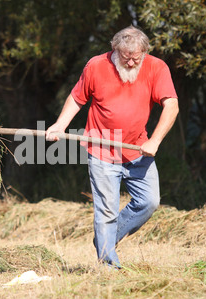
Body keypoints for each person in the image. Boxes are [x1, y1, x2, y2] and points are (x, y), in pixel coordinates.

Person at [46, 26, 179, 269]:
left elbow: (172, 106)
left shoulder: (156, 67)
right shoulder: (96, 66)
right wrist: (59, 125)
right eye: (125, 57)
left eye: (136, 58)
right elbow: (77, 98)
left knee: (149, 202)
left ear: (144, 54)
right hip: (102, 151)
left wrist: (155, 141)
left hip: (138, 149)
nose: (130, 63)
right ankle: (108, 266)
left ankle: (104, 239)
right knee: (106, 211)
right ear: (114, 50)